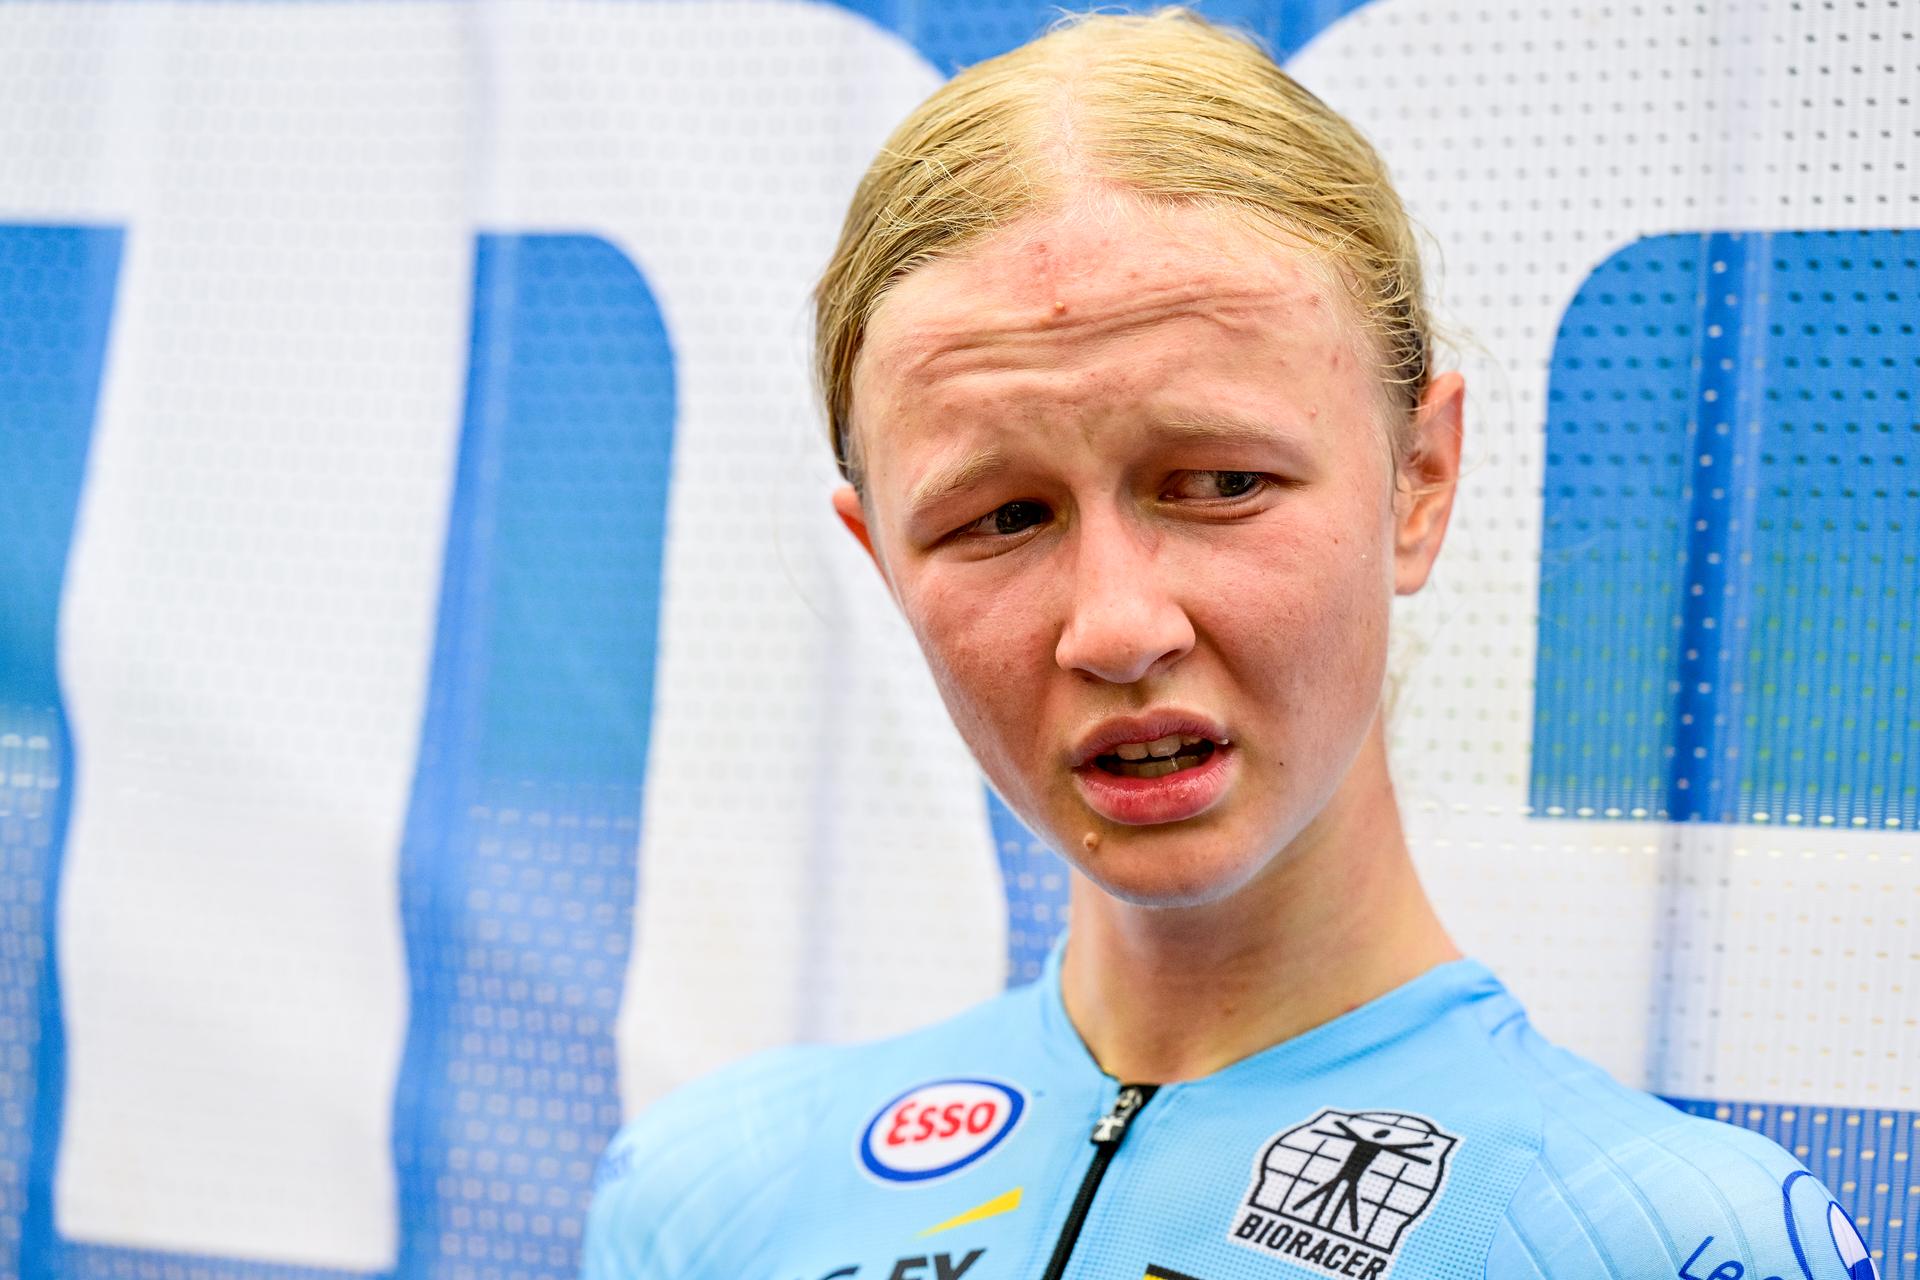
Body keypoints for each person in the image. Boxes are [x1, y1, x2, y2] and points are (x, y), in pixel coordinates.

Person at [580, 11, 1877, 1280]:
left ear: (1420, 479)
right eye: (1003, 517)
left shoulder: (1672, 1241)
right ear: (883, 564)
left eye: (1218, 484)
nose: (1118, 628)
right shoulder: (711, 1199)